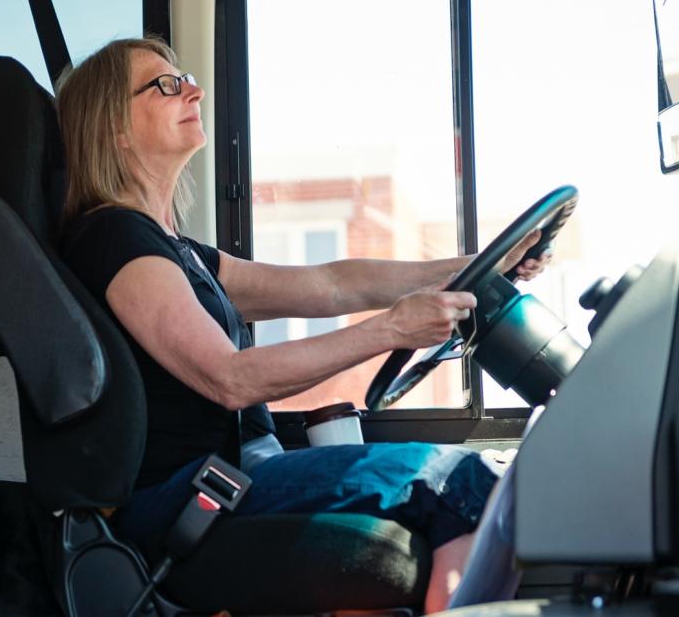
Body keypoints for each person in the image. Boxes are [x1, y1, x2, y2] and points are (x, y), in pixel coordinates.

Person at [57, 37, 548, 613]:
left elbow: (334, 285)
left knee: (471, 494)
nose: (194, 89)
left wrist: (477, 268)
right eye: (166, 84)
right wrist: (390, 330)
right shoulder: (115, 238)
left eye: (185, 77)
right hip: (188, 494)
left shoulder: (178, 251)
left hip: (239, 468)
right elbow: (231, 379)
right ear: (113, 128)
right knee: (463, 483)